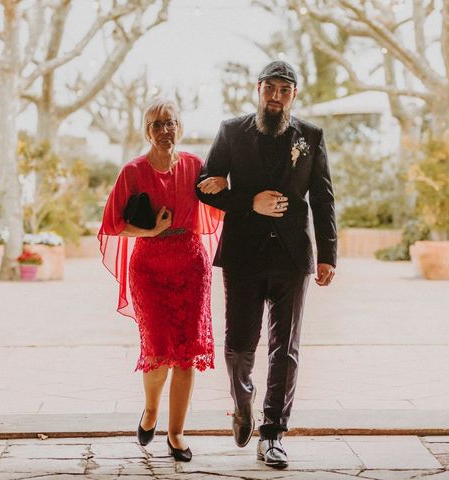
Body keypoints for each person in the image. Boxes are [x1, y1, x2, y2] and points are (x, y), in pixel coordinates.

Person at [196, 60, 337, 469]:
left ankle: (273, 433)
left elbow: (323, 197)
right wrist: (248, 201)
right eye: (269, 88)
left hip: (293, 257)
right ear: (257, 89)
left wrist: (328, 254)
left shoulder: (310, 136)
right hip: (243, 256)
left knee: (285, 348)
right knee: (239, 342)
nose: (276, 96)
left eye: (284, 90)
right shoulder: (230, 131)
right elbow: (203, 186)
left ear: (294, 95)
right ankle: (242, 399)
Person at [98, 98, 226, 462]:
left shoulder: (195, 165)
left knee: (186, 355)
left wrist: (222, 184)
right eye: (156, 124)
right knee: (157, 352)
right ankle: (151, 410)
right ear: (147, 130)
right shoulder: (132, 172)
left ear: (179, 126)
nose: (164, 130)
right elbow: (114, 226)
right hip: (149, 269)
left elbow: (216, 205)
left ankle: (176, 433)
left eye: (169, 122)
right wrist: (153, 230)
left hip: (190, 265)